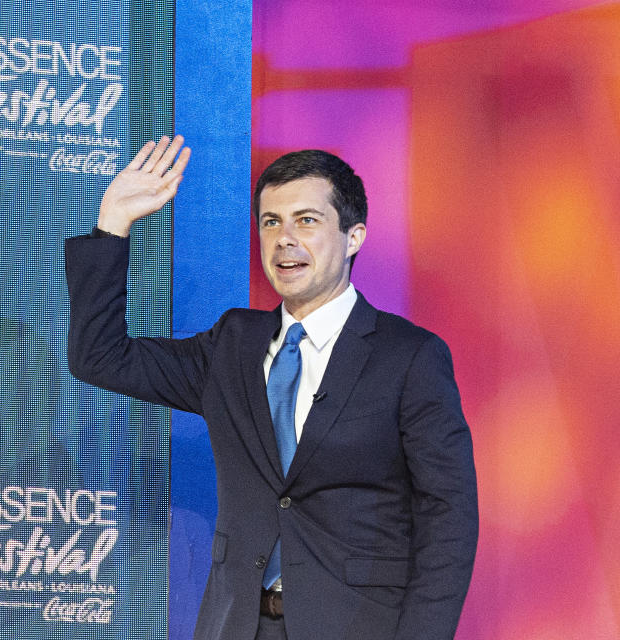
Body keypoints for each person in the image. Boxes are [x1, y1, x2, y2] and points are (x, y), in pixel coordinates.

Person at [65, 136, 478, 640]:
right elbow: (100, 358)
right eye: (271, 221)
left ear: (354, 236)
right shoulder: (231, 345)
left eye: (306, 220)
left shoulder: (409, 356)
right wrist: (113, 224)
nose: (285, 239)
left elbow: (449, 520)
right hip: (235, 624)